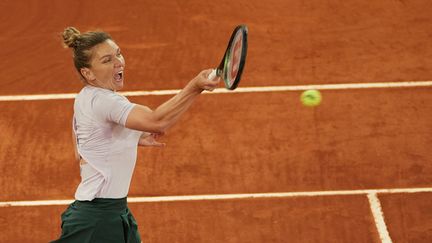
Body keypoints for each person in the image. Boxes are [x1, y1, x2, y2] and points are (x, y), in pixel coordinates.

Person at [51, 27, 220, 243]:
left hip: (105, 213)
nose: (119, 62)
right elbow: (157, 121)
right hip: (99, 221)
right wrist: (195, 87)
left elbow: (82, 151)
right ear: (88, 73)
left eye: (118, 53)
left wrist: (131, 138)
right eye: (107, 60)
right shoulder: (106, 101)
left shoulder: (85, 98)